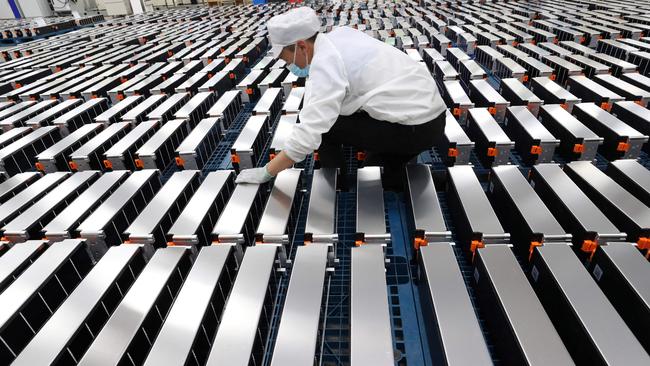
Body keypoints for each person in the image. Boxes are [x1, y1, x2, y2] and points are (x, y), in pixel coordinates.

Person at [235, 7, 447, 190]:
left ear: (301, 46)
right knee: (379, 175)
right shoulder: (341, 35)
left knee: (329, 127)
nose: (288, 65)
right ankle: (432, 180)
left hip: (414, 127)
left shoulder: (326, 63)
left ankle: (336, 185)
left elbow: (309, 134)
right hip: (432, 118)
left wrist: (267, 172)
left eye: (286, 58)